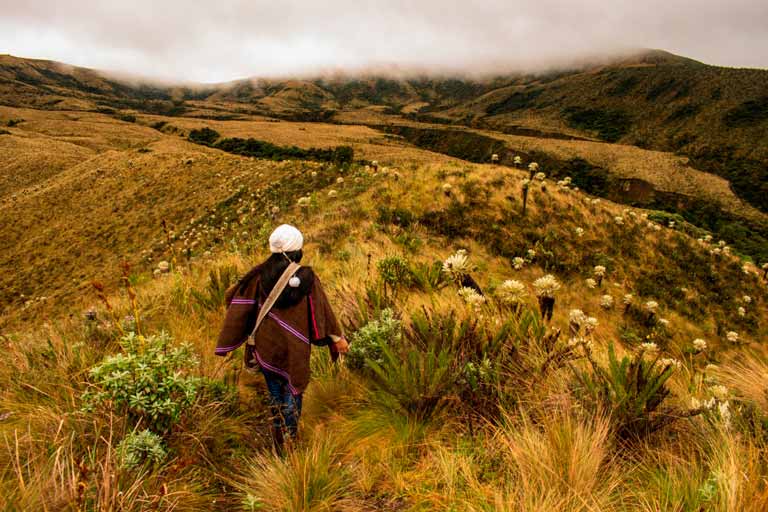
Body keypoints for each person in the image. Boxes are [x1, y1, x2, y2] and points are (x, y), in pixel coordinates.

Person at [215, 224, 349, 451]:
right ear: (297, 249)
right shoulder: (307, 278)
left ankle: (279, 434)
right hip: (295, 349)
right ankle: (291, 436)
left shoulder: (257, 277)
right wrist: (336, 338)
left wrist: (230, 339)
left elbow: (236, 302)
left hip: (267, 347)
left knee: (275, 391)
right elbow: (322, 312)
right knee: (293, 388)